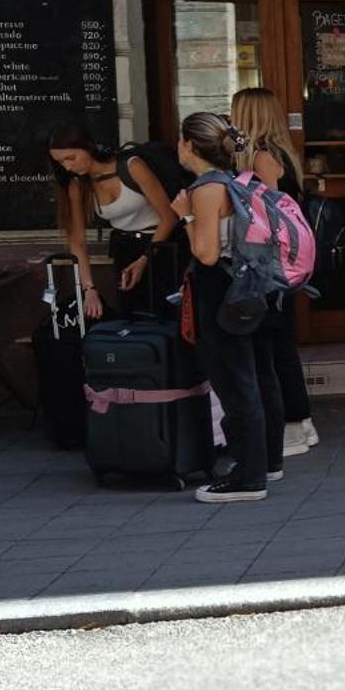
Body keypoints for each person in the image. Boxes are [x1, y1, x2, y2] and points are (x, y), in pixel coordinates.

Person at [176, 112, 284, 504]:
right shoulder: (239, 180)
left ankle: (248, 476)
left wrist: (184, 215)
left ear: (189, 145)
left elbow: (205, 253)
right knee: (259, 375)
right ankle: (268, 460)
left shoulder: (206, 189)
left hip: (221, 290)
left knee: (235, 382)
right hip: (252, 286)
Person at [229, 87, 319, 458]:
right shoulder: (278, 152)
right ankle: (301, 423)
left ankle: (294, 424)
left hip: (271, 264)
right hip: (278, 262)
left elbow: (270, 214)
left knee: (275, 346)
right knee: (277, 344)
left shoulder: (263, 156)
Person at [48, 123, 180, 320]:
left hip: (159, 243)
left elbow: (169, 215)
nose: (68, 167)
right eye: (61, 163)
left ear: (88, 147)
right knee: (130, 313)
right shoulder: (78, 185)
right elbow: (77, 240)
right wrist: (89, 289)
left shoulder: (131, 166)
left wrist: (145, 259)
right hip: (124, 247)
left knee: (165, 312)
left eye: (71, 158)